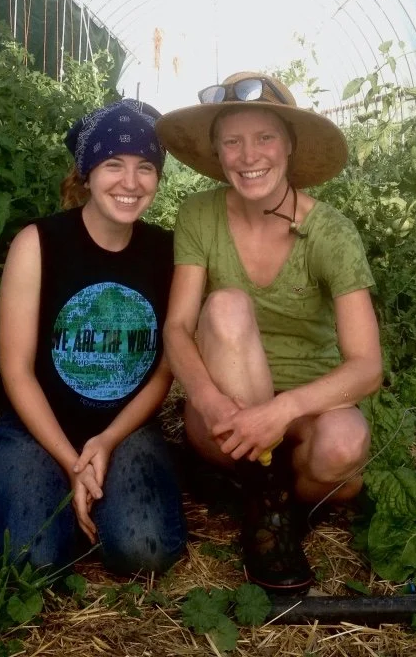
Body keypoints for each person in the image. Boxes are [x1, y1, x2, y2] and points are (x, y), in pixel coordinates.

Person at [156, 72, 381, 594]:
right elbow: (177, 326)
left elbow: (367, 366)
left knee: (345, 451)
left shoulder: (330, 233)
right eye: (231, 141)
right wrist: (209, 399)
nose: (247, 154)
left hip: (301, 410)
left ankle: (258, 493)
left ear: (289, 147)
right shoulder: (199, 215)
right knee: (227, 305)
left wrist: (280, 411)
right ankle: (271, 505)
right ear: (216, 152)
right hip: (224, 418)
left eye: (264, 138)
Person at [0, 99, 186, 575]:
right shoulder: (39, 243)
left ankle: (91, 509)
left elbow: (164, 370)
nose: (130, 183)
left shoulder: (167, 252)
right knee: (24, 563)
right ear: (87, 172)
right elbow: (17, 370)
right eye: (114, 164)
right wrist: (74, 462)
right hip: (39, 422)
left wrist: (108, 441)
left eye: (145, 168)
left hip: (126, 427)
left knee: (144, 553)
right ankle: (51, 494)